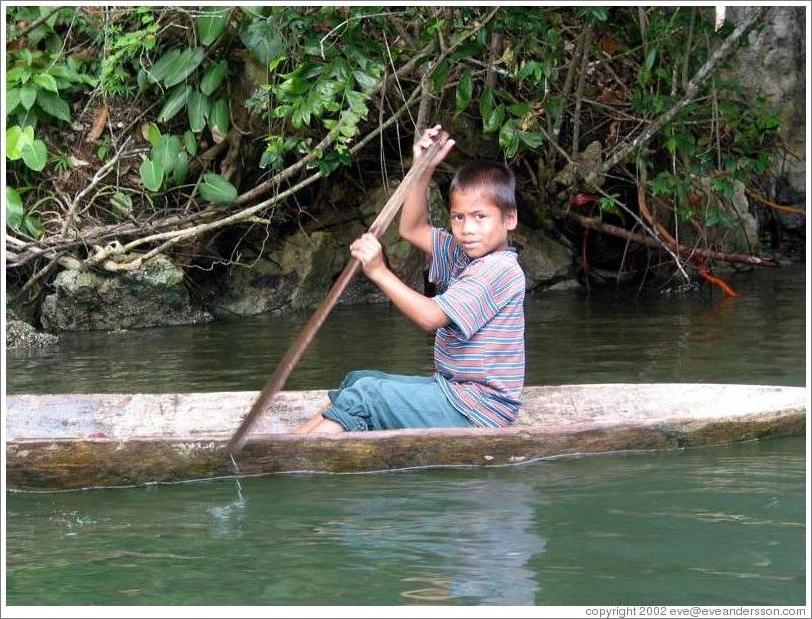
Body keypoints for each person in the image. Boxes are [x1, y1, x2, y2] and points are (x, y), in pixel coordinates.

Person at [294, 124, 525, 434]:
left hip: (478, 408)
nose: (467, 229)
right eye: (459, 217)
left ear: (509, 219)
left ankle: (295, 460)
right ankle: (292, 445)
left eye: (480, 217)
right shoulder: (464, 252)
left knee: (365, 397)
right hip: (452, 390)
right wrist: (421, 168)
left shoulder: (499, 269)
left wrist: (378, 271)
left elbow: (431, 317)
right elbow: (412, 229)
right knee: (358, 381)